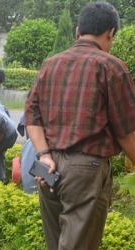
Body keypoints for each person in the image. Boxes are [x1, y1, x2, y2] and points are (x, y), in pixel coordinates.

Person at [24, 2, 135, 250]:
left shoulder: (50, 64)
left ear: (77, 32)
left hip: (46, 165)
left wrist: (44, 155)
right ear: (110, 33)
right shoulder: (111, 66)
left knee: (57, 243)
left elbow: (31, 116)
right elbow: (127, 131)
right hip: (85, 170)